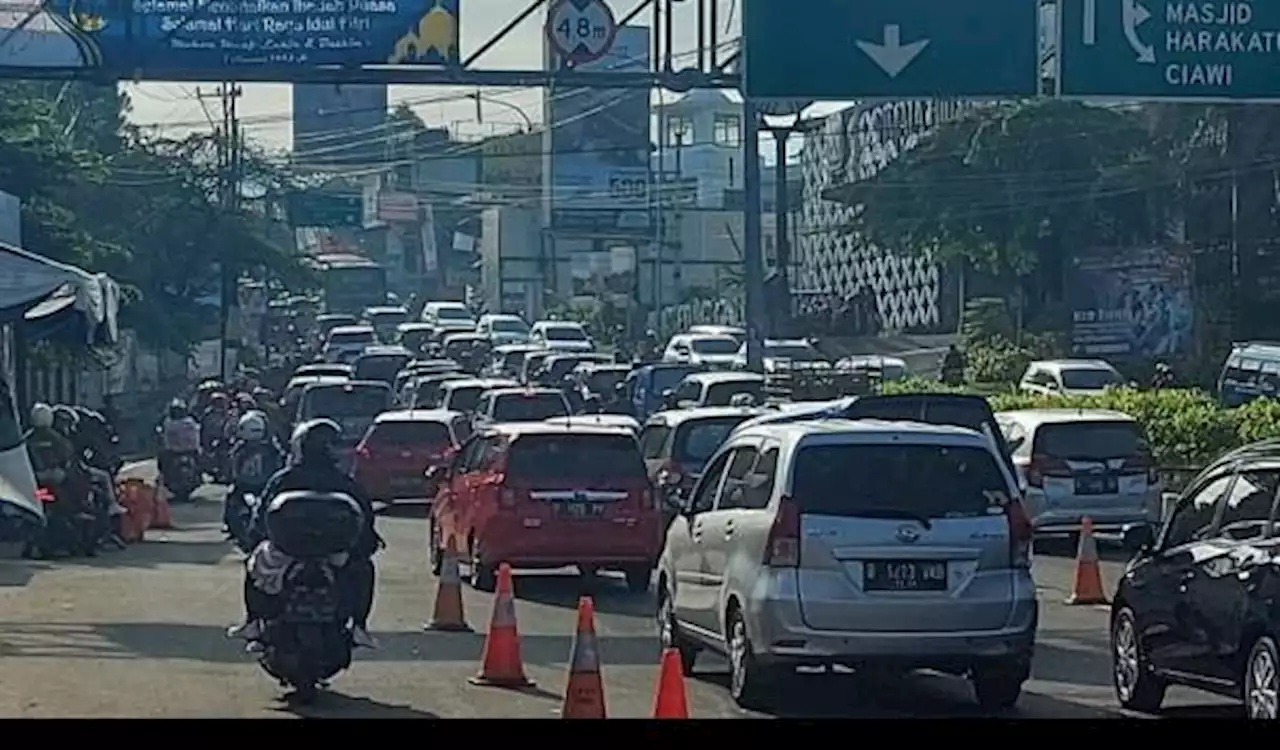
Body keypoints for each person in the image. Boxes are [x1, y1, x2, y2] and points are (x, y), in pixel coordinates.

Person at [228, 419, 381, 651]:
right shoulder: (344, 482)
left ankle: (253, 623)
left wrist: (253, 539)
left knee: (254, 563)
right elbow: (366, 521)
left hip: (289, 554)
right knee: (364, 568)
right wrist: (364, 546)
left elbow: (260, 518)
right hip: (333, 555)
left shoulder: (284, 479)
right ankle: (359, 626)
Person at [224, 410, 284, 536]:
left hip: (253, 485)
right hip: (261, 485)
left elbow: (233, 468)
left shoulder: (242, 448)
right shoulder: (271, 446)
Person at [158, 399, 201, 484]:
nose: (177, 412)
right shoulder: (167, 421)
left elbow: (198, 430)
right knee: (163, 459)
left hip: (189, 450)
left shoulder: (190, 421)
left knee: (200, 459)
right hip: (173, 450)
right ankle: (165, 477)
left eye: (179, 410)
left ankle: (199, 474)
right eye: (176, 410)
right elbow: (161, 431)